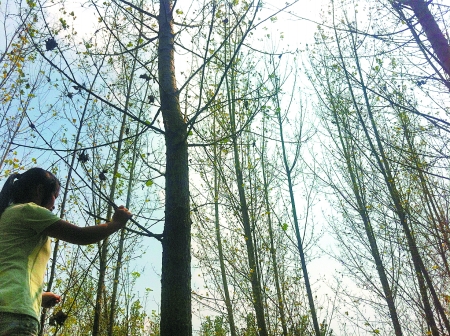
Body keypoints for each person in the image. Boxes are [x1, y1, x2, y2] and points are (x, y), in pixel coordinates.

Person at [0, 167, 132, 336]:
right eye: (55, 195)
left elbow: (9, 271)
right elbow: (81, 235)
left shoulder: (5, 216)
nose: (55, 203)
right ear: (40, 190)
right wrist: (115, 223)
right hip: (16, 315)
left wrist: (38, 296)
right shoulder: (29, 210)